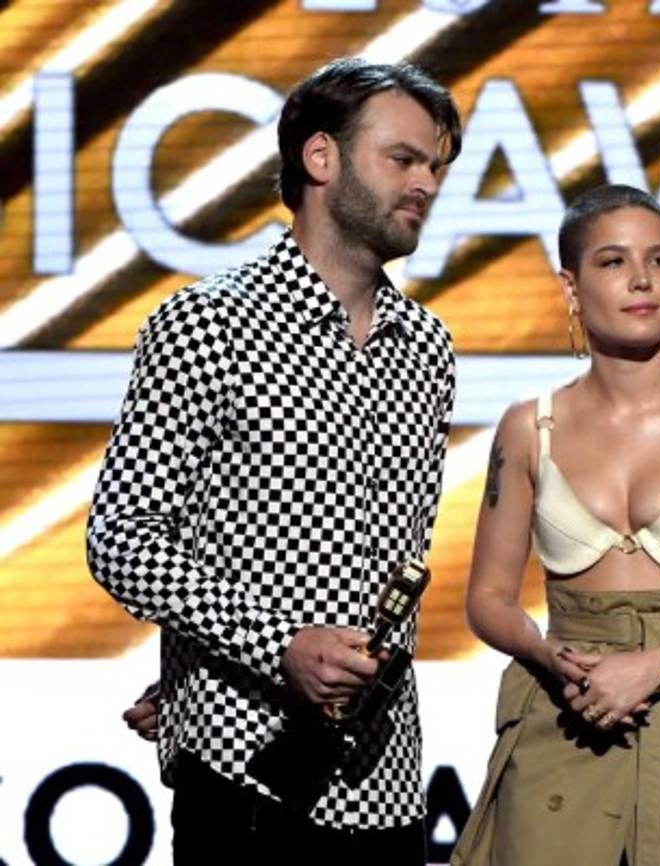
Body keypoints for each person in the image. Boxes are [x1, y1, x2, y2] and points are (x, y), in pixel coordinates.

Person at [87, 57, 461, 864]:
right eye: (403, 159)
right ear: (320, 158)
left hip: (386, 776)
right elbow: (122, 537)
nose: (427, 183)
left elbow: (391, 569)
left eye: (436, 166)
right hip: (243, 769)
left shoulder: (427, 347)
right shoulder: (206, 325)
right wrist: (271, 644)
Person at [451, 184, 660, 866]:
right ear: (571, 286)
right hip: (568, 720)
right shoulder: (530, 427)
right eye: (613, 262)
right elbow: (488, 600)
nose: (642, 280)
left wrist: (658, 664)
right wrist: (552, 659)